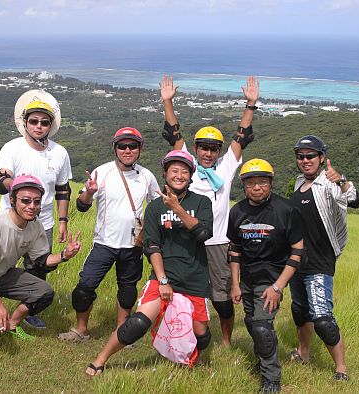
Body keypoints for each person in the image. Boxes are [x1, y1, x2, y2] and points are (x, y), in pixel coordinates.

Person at [85, 150, 214, 376]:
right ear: (165, 174)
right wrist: (163, 280)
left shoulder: (202, 202)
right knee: (137, 323)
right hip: (165, 276)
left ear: (191, 176)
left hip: (195, 277)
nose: (179, 175)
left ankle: (197, 358)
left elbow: (204, 234)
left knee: (202, 334)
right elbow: (152, 246)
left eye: (185, 171)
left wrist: (178, 209)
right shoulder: (155, 208)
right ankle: (100, 359)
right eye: (174, 170)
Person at [159, 75, 259, 345]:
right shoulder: (187, 164)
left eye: (214, 148)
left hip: (217, 242)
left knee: (221, 298)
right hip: (186, 238)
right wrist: (167, 101)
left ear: (219, 150)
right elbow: (174, 132)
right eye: (203, 147)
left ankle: (225, 339)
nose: (208, 153)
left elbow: (242, 135)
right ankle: (178, 334)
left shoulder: (226, 167)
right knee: (181, 290)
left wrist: (250, 105)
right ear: (195, 148)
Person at [58, 127, 159, 342]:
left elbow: (156, 206)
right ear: (115, 148)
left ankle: (122, 334)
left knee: (127, 291)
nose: (127, 150)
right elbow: (82, 205)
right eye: (122, 146)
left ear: (140, 148)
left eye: (133, 145)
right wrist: (89, 192)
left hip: (133, 246)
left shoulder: (147, 176)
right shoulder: (101, 172)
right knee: (84, 289)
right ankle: (80, 330)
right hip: (103, 244)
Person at [0, 175, 81, 345]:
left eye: (37, 202)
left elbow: (41, 260)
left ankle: (12, 324)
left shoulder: (35, 226)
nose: (32, 206)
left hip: (3, 273)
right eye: (26, 201)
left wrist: (64, 255)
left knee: (44, 293)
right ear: (12, 199)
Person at [0, 90, 72, 329]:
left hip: (44, 222)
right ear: (25, 123)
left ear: (50, 125)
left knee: (39, 267)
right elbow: (2, 180)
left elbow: (63, 189)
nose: (39, 126)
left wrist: (62, 221)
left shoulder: (59, 153)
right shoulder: (12, 148)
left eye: (44, 122)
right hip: (11, 220)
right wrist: (17, 187)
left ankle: (29, 310)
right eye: (34, 121)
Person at [227, 159, 304, 393]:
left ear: (270, 183)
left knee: (261, 327)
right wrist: (235, 284)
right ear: (244, 185)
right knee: (252, 323)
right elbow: (234, 250)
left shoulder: (286, 210)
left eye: (262, 182)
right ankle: (264, 351)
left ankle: (271, 378)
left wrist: (278, 287)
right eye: (251, 183)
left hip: (271, 280)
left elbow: (297, 252)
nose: (257, 187)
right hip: (248, 278)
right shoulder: (238, 211)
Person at [288, 135, 359, 382]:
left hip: (320, 262)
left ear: (321, 158)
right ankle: (303, 353)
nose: (305, 160)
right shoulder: (298, 184)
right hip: (297, 262)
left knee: (322, 318)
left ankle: (341, 368)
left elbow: (354, 200)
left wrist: (341, 180)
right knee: (300, 312)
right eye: (301, 156)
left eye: (311, 156)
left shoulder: (329, 183)